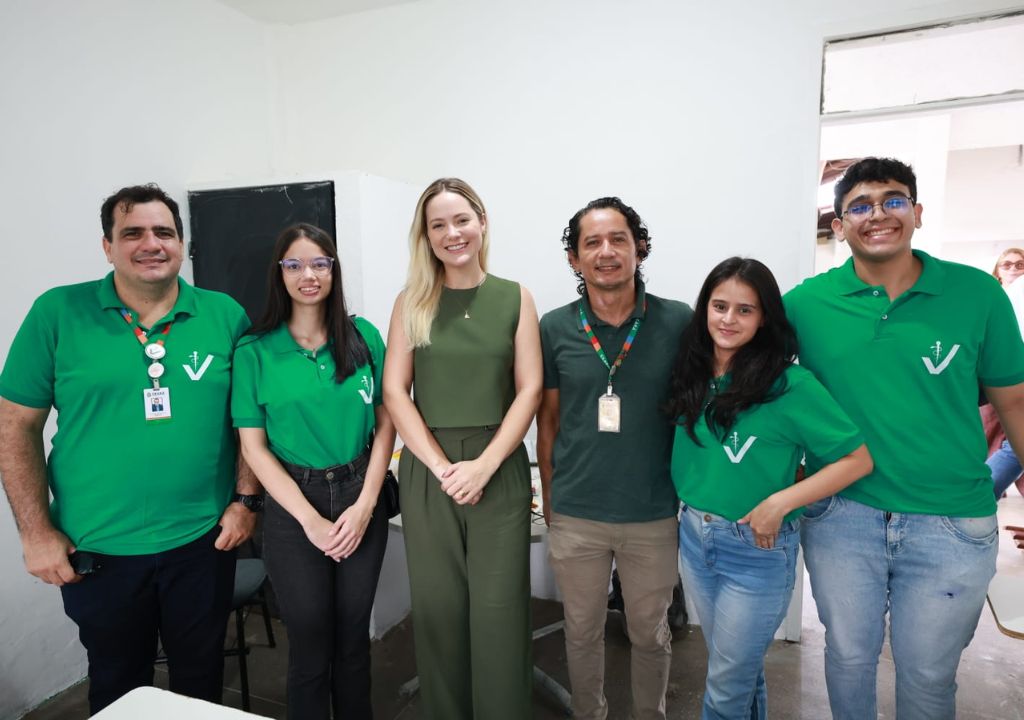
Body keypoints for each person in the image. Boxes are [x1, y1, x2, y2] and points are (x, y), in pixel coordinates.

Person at [0, 184, 259, 714]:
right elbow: (14, 427)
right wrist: (35, 532)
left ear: (181, 243)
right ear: (107, 245)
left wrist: (245, 500)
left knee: (200, 680)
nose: (150, 243)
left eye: (163, 231)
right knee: (119, 685)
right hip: (96, 549)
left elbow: (248, 422)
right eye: (132, 232)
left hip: (203, 542)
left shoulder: (224, 315)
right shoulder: (58, 312)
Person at [785, 157, 1024, 719]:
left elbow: (1013, 402)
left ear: (916, 212)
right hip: (842, 517)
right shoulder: (804, 305)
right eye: (859, 206)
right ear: (839, 225)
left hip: (950, 523)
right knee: (846, 660)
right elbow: (759, 389)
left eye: (893, 200)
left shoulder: (977, 295)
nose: (878, 215)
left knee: (928, 678)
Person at [667, 257, 871, 720]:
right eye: (719, 306)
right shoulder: (693, 373)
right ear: (704, 310)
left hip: (755, 550)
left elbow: (856, 460)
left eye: (745, 310)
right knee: (739, 671)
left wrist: (781, 501)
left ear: (764, 319)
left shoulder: (789, 385)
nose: (728, 320)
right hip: (696, 538)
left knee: (724, 684)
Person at [382, 178, 542, 719]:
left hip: (498, 468)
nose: (452, 233)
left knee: (500, 613)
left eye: (461, 220)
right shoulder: (412, 302)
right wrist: (442, 466)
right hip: (431, 471)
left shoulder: (515, 296)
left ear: (482, 223)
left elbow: (530, 389)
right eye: (438, 225)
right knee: (440, 613)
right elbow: (394, 393)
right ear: (425, 237)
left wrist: (485, 465)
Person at [537, 197, 692, 720]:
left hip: (651, 513)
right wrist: (553, 506)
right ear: (574, 258)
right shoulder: (554, 328)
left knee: (649, 633)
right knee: (582, 632)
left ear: (639, 248)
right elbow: (549, 422)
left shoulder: (677, 322)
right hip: (577, 513)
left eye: (618, 239)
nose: (606, 252)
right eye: (592, 242)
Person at [232, 223, 395, 719]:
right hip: (292, 503)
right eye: (295, 264)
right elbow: (254, 449)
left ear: (334, 270)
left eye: (320, 263)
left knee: (352, 636)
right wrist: (309, 520)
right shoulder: (254, 351)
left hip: (359, 488)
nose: (309, 274)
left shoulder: (364, 335)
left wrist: (366, 505)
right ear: (279, 273)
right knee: (308, 638)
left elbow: (388, 422)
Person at [985, 247, 1024, 499]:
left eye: (1019, 264)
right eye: (1006, 264)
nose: (1012, 269)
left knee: (1013, 444)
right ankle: (974, 496)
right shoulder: (991, 296)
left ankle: (975, 496)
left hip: (1010, 374)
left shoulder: (1018, 291)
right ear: (997, 271)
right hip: (997, 375)